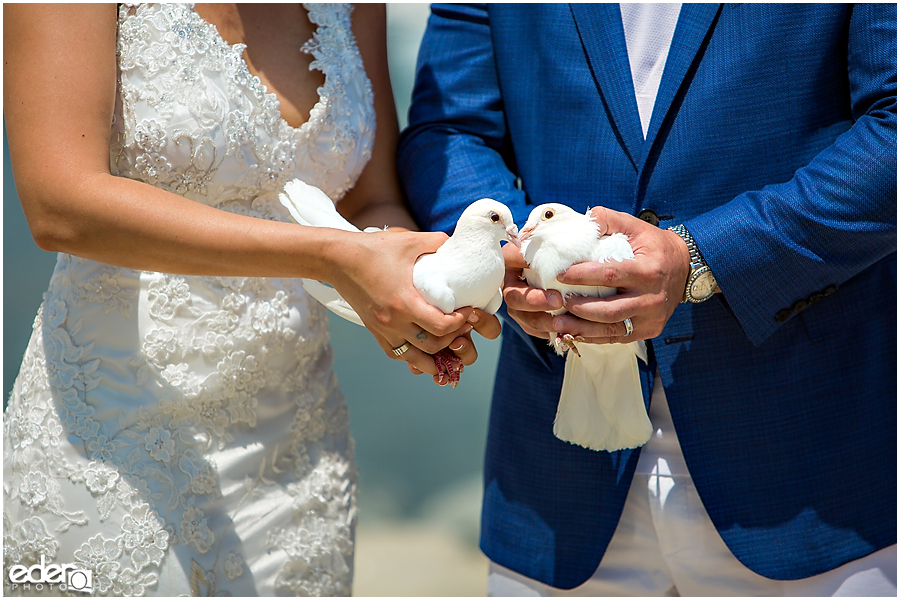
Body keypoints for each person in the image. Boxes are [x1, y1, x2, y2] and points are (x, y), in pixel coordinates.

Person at [399, 3, 896, 596]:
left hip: (809, 456)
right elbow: (448, 129)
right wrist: (506, 260)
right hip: (554, 478)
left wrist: (707, 257)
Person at [2, 3, 499, 596]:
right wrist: (329, 258)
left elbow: (372, 201)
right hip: (117, 432)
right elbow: (61, 203)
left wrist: (413, 292)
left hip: (298, 450)